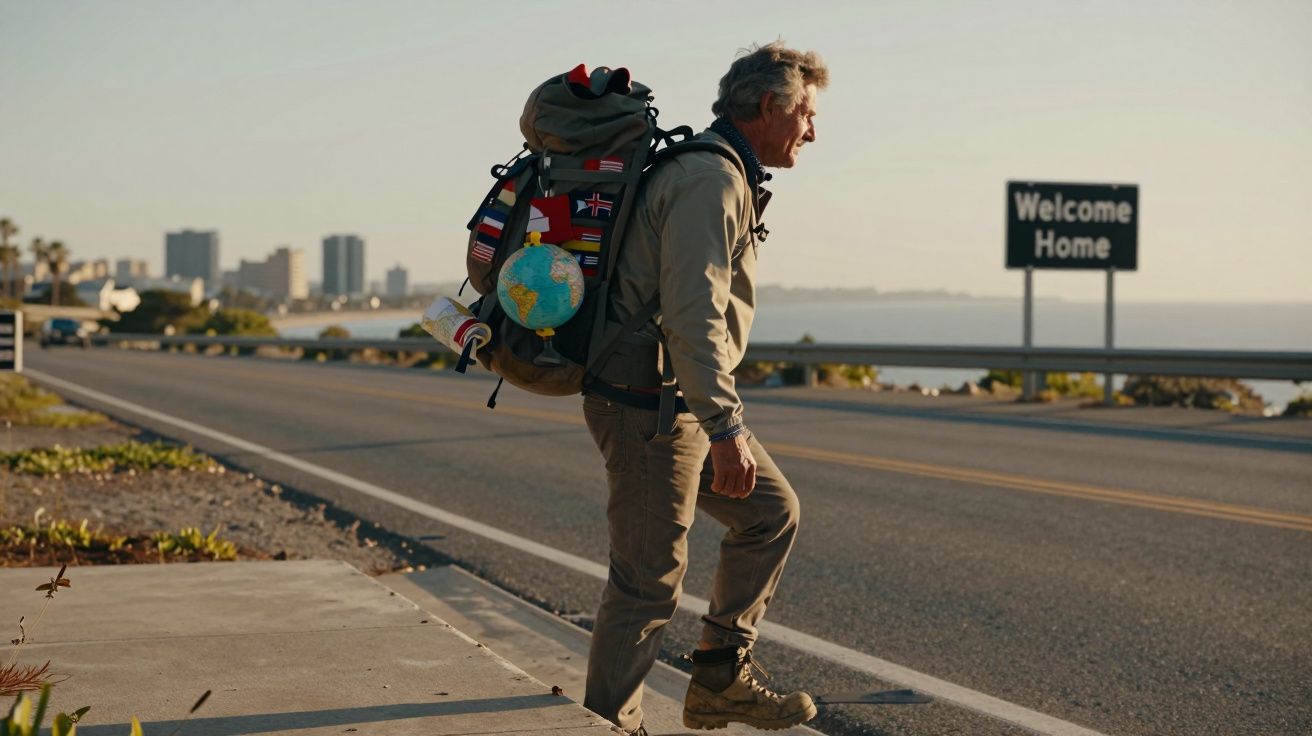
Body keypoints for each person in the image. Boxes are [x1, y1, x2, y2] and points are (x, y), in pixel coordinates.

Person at [581, 42, 828, 734]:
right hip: (650, 405)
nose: (813, 131)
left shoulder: (723, 174)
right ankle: (607, 724)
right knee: (646, 586)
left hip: (672, 397)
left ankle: (719, 678)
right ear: (771, 107)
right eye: (806, 114)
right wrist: (726, 429)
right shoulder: (710, 182)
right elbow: (692, 314)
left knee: (769, 514)